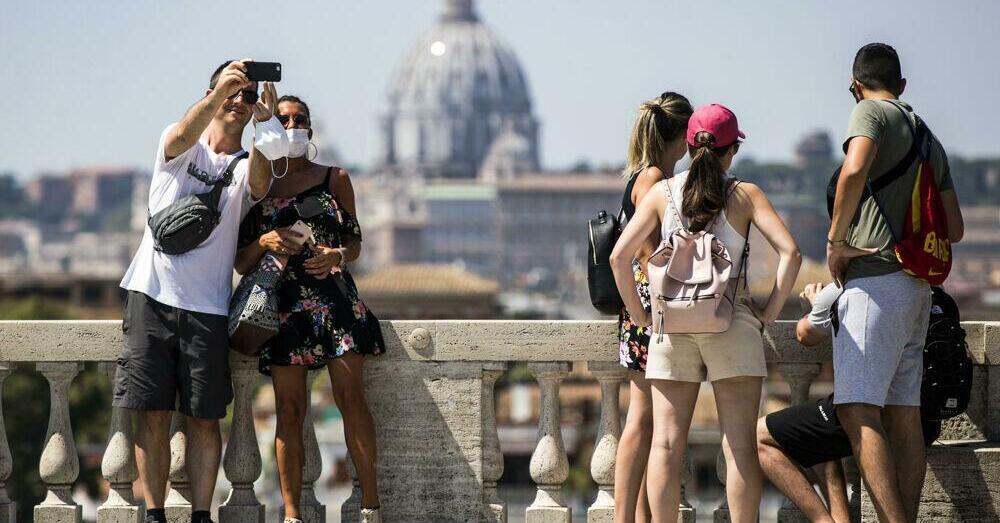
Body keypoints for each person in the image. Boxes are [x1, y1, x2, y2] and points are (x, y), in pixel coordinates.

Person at [611, 104, 801, 522]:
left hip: (671, 328)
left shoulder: (662, 193)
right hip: (731, 324)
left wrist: (642, 316)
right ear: (732, 149)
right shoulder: (745, 194)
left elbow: (618, 257)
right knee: (738, 447)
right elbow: (791, 252)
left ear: (690, 145)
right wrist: (768, 312)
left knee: (664, 444)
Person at [115, 60, 281, 523]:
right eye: (229, 91)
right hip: (151, 295)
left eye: (245, 96)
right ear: (210, 94)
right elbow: (186, 132)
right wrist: (220, 93)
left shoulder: (248, 164)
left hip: (207, 306)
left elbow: (262, 183)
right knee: (150, 411)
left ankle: (202, 516)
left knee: (204, 417)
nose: (236, 101)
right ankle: (154, 513)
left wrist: (264, 127)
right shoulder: (179, 144)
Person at [826, 43, 964, 522]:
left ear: (854, 84)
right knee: (903, 415)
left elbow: (855, 167)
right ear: (903, 85)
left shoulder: (869, 113)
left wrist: (835, 240)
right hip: (915, 289)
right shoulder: (927, 136)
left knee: (857, 411)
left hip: (875, 285)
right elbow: (956, 228)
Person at [235, 95, 386, 523]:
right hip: (282, 308)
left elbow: (356, 242)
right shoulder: (257, 186)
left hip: (334, 303)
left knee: (351, 398)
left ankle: (370, 507)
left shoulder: (334, 178)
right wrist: (265, 241)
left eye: (300, 119)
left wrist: (337, 255)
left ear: (311, 130)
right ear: (270, 129)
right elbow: (241, 261)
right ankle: (292, 515)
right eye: (283, 120)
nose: (293, 125)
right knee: (289, 410)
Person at [757, 282, 943, 523]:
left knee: (758, 437)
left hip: (865, 409)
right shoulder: (924, 289)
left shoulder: (850, 284)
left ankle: (826, 521)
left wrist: (817, 306)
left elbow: (806, 334)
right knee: (816, 429)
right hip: (922, 417)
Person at [614, 91, 693, 523]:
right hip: (648, 305)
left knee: (644, 422)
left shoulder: (644, 174)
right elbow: (648, 253)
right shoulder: (654, 180)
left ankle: (637, 516)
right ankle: (625, 517)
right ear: (680, 135)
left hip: (641, 305)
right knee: (642, 420)